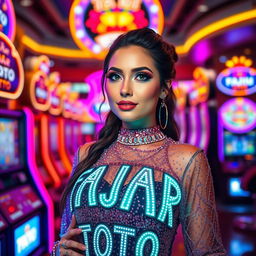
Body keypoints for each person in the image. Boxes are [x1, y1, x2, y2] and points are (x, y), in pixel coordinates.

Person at [51, 28, 227, 256]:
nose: (124, 89)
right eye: (115, 76)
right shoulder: (86, 154)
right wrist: (59, 250)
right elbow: (67, 236)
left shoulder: (186, 160)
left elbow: (208, 253)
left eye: (141, 76)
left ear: (164, 88)